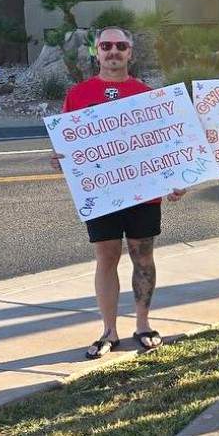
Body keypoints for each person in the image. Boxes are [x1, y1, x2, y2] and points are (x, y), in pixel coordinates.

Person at [49, 26, 186, 358]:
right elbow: (70, 144)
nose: (113, 51)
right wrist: (61, 159)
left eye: (120, 46)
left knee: (143, 256)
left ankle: (143, 324)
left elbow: (163, 144)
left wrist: (175, 177)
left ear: (130, 53)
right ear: (97, 51)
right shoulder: (78, 95)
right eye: (106, 45)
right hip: (102, 194)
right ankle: (109, 331)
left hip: (143, 193)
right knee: (106, 257)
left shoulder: (148, 95)